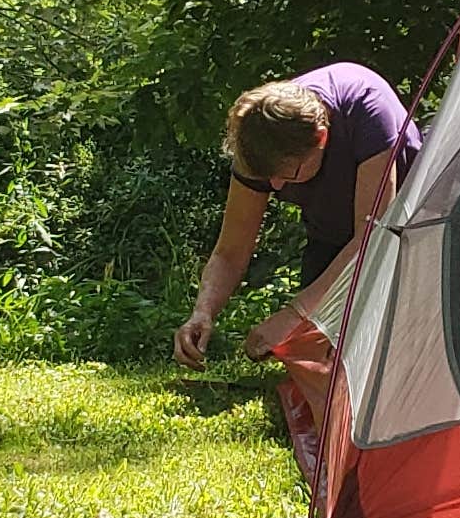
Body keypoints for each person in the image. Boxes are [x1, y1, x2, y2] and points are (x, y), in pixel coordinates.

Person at [173, 62, 421, 370]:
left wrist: (294, 313)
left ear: (320, 138)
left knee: (389, 357)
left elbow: (372, 239)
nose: (274, 186)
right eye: (268, 178)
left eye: (287, 175)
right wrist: (203, 311)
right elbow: (231, 250)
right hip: (329, 235)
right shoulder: (259, 142)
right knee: (317, 359)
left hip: (403, 236)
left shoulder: (369, 110)